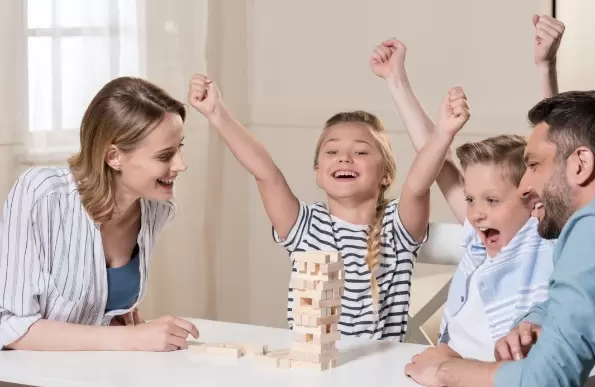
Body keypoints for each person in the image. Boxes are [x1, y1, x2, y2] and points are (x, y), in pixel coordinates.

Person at [404, 89, 595, 387]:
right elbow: (587, 292)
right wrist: (536, 321)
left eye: (533, 166)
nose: (523, 187)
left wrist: (446, 368)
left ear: (580, 163)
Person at [187, 74, 468, 341]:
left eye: (360, 152)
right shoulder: (305, 226)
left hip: (380, 377)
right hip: (314, 375)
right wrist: (217, 113)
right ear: (318, 172)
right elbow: (266, 173)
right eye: (332, 152)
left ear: (385, 174)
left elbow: (418, 184)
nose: (344, 158)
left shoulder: (396, 226)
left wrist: (443, 134)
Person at [369, 14, 565, 359]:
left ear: (533, 197)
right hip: (449, 374)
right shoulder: (479, 237)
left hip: (502, 385)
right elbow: (438, 161)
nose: (475, 212)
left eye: (491, 200)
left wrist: (544, 66)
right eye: (472, 199)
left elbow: (555, 152)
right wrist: (396, 81)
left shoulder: (541, 237)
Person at [0, 77, 200, 351]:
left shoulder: (158, 209)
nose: (181, 164)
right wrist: (132, 339)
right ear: (114, 156)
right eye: (165, 155)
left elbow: (94, 308)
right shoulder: (42, 194)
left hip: (94, 375)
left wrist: (108, 318)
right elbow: (9, 325)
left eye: (180, 148)